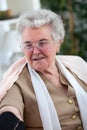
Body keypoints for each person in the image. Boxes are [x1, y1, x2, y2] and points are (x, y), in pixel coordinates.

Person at [0, 9, 87, 130]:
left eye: (42, 43)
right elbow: (9, 110)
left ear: (58, 43)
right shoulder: (17, 82)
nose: (35, 51)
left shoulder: (77, 67)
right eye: (28, 45)